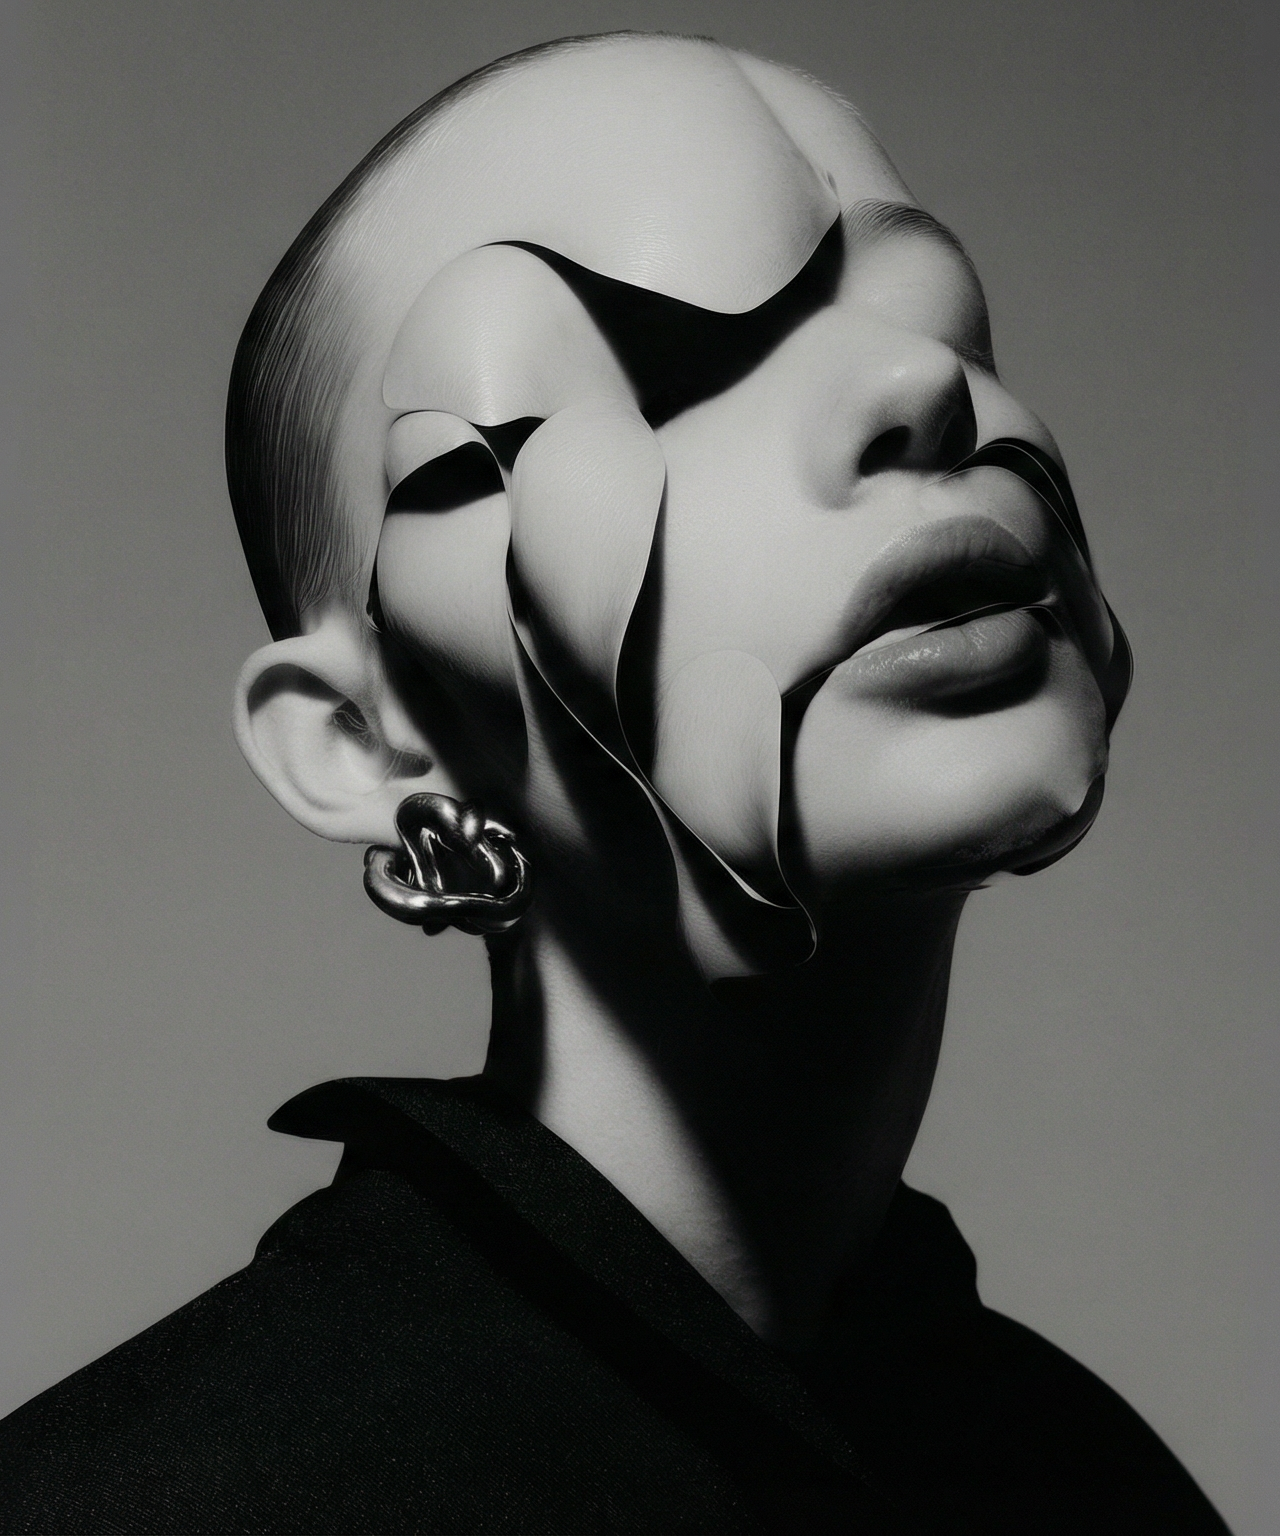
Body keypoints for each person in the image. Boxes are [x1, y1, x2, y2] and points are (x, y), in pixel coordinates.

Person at [0, 30, 1229, 1536]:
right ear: (362, 742)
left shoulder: (1098, 1483)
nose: (918, 386)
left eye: (952, 324)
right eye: (646, 376)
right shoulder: (154, 1500)